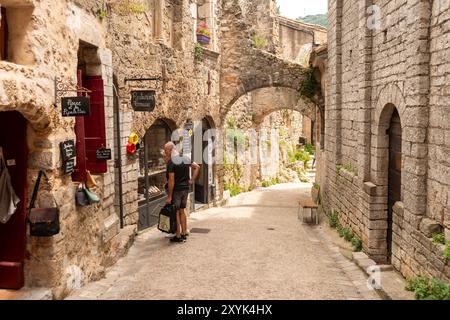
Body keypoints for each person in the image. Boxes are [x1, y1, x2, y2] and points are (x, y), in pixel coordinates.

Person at [163, 142, 200, 243]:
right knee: (182, 211)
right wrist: (191, 180)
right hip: (185, 189)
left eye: (165, 150)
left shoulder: (172, 163)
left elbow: (171, 181)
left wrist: (169, 196)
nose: (164, 152)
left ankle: (178, 236)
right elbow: (197, 167)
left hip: (177, 190)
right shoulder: (185, 158)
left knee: (176, 212)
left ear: (170, 150)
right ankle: (184, 233)